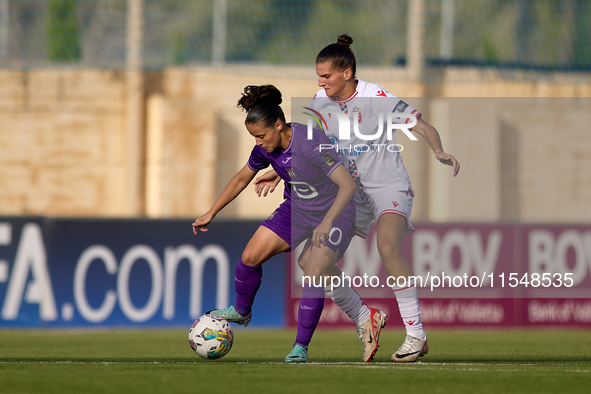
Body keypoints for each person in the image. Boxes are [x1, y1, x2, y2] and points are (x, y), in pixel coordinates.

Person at [255, 34, 460, 363]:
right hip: (350, 194)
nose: (321, 83)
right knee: (311, 263)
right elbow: (309, 147)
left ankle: (416, 335)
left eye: (326, 76)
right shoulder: (320, 102)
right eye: (318, 76)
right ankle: (367, 318)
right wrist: (275, 170)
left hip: (388, 186)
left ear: (347, 73)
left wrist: (439, 151)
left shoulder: (375, 97)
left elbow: (421, 126)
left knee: (388, 246)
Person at [192, 84, 357, 363]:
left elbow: (347, 185)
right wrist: (212, 212)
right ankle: (242, 311)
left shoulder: (311, 141)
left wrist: (327, 222)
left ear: (279, 125)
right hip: (298, 209)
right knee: (249, 256)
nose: (258, 142)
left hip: (336, 212)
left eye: (261, 136)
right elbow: (242, 177)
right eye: (254, 137)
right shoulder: (266, 148)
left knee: (314, 269)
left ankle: (300, 348)